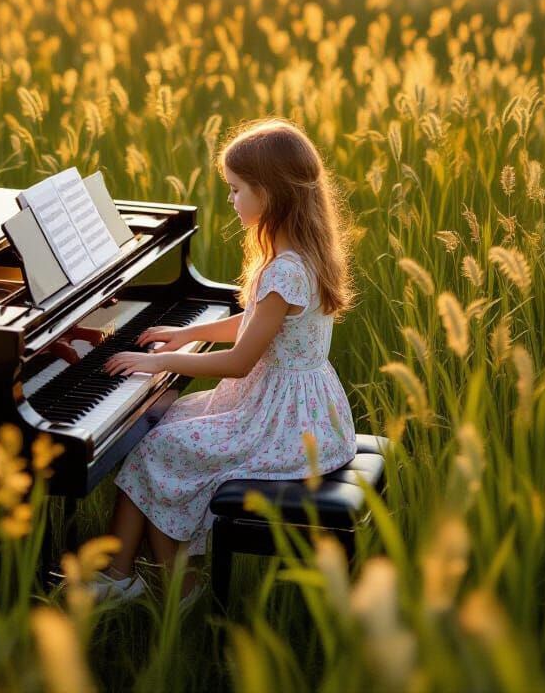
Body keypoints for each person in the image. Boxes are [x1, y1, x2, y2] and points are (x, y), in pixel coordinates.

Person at [94, 117, 357, 608]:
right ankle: (127, 572)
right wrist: (189, 333)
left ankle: (173, 585)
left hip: (286, 426)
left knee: (158, 446)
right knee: (161, 425)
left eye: (237, 190)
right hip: (296, 409)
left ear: (270, 194)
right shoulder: (300, 255)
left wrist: (162, 362)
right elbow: (253, 326)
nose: (231, 200)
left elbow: (239, 362)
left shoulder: (285, 271)